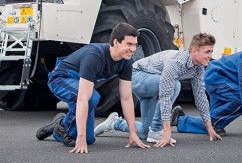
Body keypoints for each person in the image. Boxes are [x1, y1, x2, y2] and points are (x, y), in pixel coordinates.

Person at [35, 23, 149, 154]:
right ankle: (67, 128)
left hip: (80, 85)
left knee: (89, 139)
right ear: (116, 42)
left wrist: (133, 133)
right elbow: (83, 99)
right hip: (61, 79)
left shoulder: (126, 62)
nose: (133, 49)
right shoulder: (95, 56)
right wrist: (80, 137)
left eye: (135, 45)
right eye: (129, 44)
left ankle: (60, 127)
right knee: (92, 98)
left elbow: (126, 98)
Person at [94, 33, 222, 147]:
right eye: (207, 52)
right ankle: (156, 129)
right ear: (194, 51)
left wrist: (209, 127)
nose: (210, 56)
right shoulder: (176, 62)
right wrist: (166, 130)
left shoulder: (198, 67)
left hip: (152, 84)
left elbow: (200, 97)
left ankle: (115, 123)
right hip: (137, 76)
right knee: (175, 85)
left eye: (211, 52)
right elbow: (165, 94)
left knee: (144, 133)